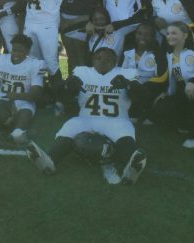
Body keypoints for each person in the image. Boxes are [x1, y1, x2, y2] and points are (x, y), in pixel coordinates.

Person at [26, 48, 147, 184]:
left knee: (124, 134)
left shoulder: (126, 73)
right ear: (92, 60)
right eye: (99, 58)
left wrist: (128, 84)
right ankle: (50, 161)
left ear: (115, 62)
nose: (102, 61)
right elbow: (59, 92)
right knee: (70, 126)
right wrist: (68, 86)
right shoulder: (82, 72)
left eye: (107, 59)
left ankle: (131, 167)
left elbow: (143, 95)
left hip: (116, 120)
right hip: (86, 119)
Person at [148, 22, 194, 148]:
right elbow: (172, 81)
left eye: (174, 33)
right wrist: (167, 92)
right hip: (182, 91)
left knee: (193, 97)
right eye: (168, 33)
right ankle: (183, 124)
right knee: (161, 105)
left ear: (185, 35)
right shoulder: (169, 54)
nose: (170, 36)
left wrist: (193, 82)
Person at [120, 22, 168, 121]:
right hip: (129, 86)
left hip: (150, 88)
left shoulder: (158, 54)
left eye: (147, 35)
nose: (142, 37)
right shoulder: (127, 50)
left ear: (153, 37)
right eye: (140, 33)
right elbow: (121, 70)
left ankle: (143, 112)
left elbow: (161, 76)